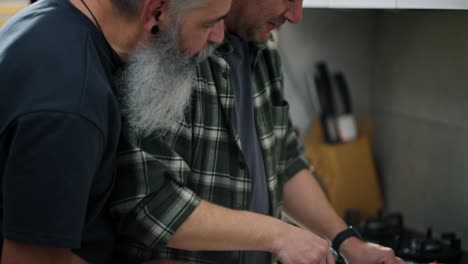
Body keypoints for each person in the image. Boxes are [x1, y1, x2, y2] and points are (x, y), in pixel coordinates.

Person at [110, 0, 406, 263]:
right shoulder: (178, 48)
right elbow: (152, 206)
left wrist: (348, 242)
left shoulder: (266, 53)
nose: (296, 15)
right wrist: (278, 235)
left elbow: (286, 161)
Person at [0, 0, 229, 263]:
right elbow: (31, 260)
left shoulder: (55, 19)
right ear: (156, 12)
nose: (219, 37)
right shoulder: (72, 104)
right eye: (209, 23)